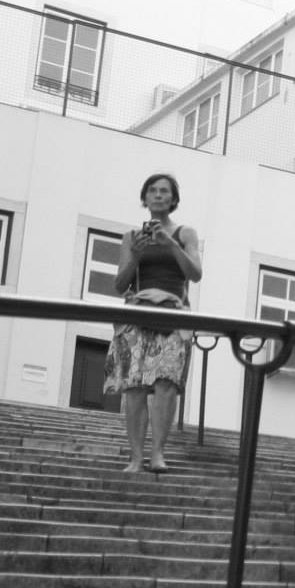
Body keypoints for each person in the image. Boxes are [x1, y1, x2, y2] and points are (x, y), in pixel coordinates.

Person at [107, 172, 201, 474]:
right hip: (138, 313)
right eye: (153, 191)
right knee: (135, 386)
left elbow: (195, 273)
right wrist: (135, 255)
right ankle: (135, 456)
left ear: (173, 199)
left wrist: (168, 243)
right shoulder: (131, 237)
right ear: (144, 198)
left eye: (164, 191)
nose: (158, 195)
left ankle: (157, 453)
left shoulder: (185, 233)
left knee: (166, 384)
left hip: (172, 314)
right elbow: (120, 285)